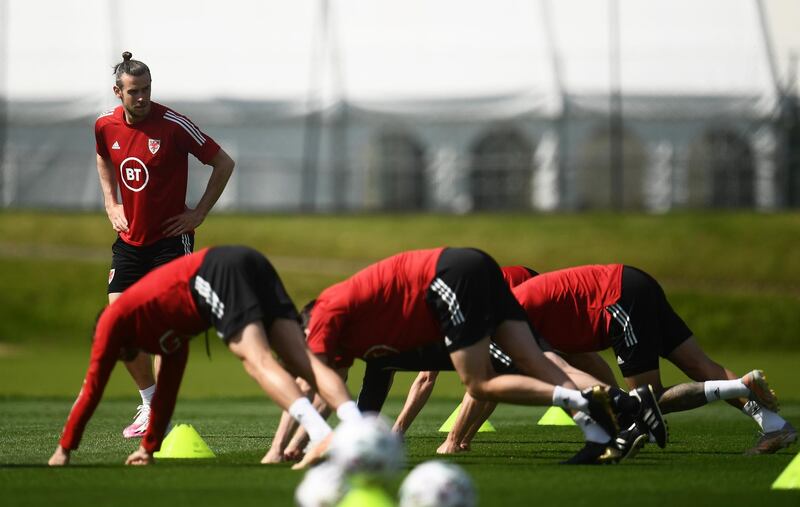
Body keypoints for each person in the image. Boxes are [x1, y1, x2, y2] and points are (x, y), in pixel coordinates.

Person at [272, 248, 658, 465]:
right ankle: (606, 430)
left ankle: (618, 404)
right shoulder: (359, 330)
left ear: (307, 328)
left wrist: (308, 447)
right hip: (477, 268)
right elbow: (326, 391)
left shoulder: (323, 313)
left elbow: (322, 383)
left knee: (479, 381)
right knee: (541, 364)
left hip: (453, 276)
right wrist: (300, 444)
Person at [48, 246, 361, 467]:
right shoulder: (167, 335)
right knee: (302, 361)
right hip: (248, 258)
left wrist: (65, 448)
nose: (122, 358)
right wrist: (149, 448)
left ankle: (321, 434)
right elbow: (167, 392)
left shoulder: (113, 321)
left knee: (257, 360)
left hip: (215, 271)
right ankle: (358, 427)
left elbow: (93, 389)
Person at [434, 264, 794, 455]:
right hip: (632, 281)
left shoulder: (508, 316)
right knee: (701, 365)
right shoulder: (520, 306)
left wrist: (453, 440)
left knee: (644, 400)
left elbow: (482, 385)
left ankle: (739, 385)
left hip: (618, 299)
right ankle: (776, 426)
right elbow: (590, 368)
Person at [96, 51, 235, 439]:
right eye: (134, 91)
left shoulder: (173, 125)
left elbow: (223, 163)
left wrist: (198, 214)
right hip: (129, 241)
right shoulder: (104, 125)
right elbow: (103, 158)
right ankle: (150, 404)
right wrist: (111, 202)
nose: (142, 98)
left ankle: (162, 413)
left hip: (171, 242)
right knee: (116, 326)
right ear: (118, 92)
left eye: (147, 90)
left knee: (161, 329)